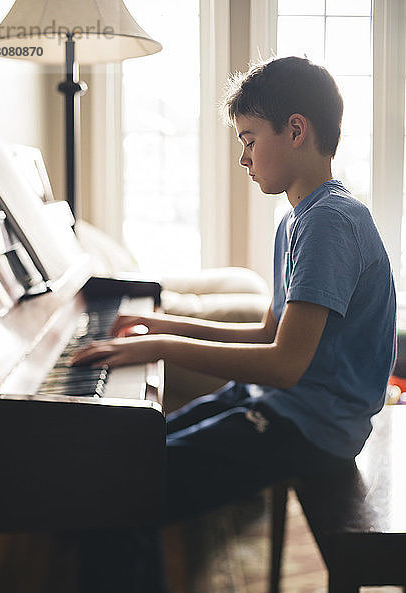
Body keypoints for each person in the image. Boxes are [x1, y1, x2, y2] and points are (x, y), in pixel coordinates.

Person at [72, 55, 396, 536]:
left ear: (296, 129)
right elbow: (269, 331)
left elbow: (285, 364)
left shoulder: (330, 223)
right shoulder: (298, 220)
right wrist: (168, 324)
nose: (243, 158)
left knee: (127, 485)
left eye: (249, 140)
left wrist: (157, 347)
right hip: (282, 403)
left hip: (313, 427)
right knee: (135, 449)